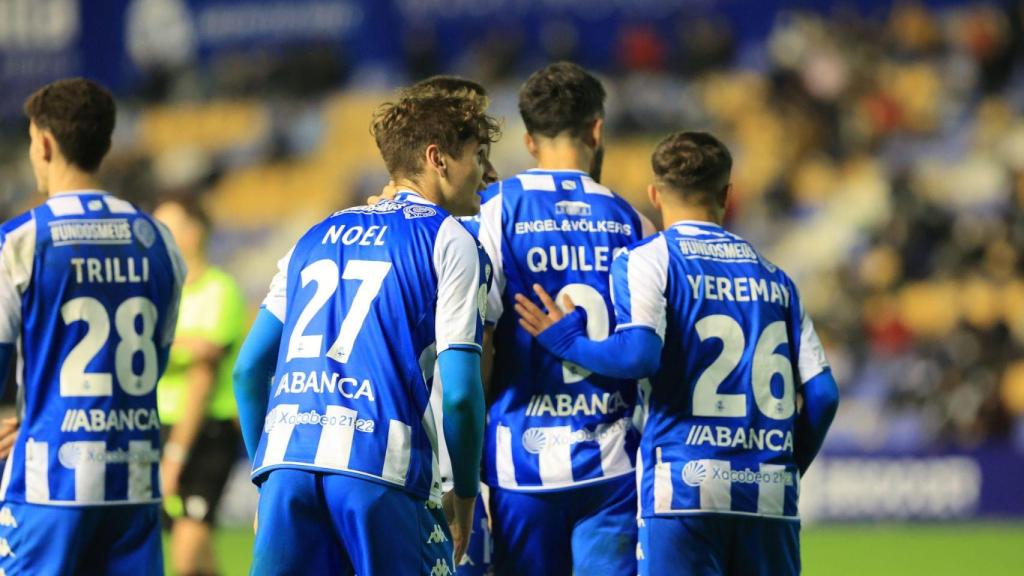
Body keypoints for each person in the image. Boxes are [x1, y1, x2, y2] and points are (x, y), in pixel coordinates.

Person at [515, 131, 840, 575]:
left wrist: (570, 344)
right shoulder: (777, 278)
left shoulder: (650, 259)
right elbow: (823, 396)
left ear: (654, 193)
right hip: (767, 492)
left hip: (683, 489)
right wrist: (784, 469)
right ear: (728, 194)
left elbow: (639, 356)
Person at [232, 88, 499, 574]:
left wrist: (264, 476)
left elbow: (249, 370)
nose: (485, 173)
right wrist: (462, 492)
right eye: (476, 157)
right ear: (437, 159)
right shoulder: (450, 239)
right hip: (380, 468)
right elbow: (460, 393)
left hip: (286, 466)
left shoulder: (313, 235)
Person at [476, 62, 655, 575]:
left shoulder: (493, 210)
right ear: (597, 130)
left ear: (529, 141)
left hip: (520, 464)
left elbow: (477, 344)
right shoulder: (632, 223)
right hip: (613, 465)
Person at [0, 78, 185, 574]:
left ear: (43, 142)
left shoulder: (20, 241)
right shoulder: (160, 241)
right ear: (105, 143)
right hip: (135, 483)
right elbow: (157, 357)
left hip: (49, 486)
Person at [153, 195, 247, 576]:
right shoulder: (157, 294)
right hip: (156, 427)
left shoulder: (219, 290)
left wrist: (174, 455)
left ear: (195, 233)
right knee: (197, 554)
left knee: (186, 553)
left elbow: (201, 374)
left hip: (205, 433)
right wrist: (182, 344)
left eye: (167, 226)